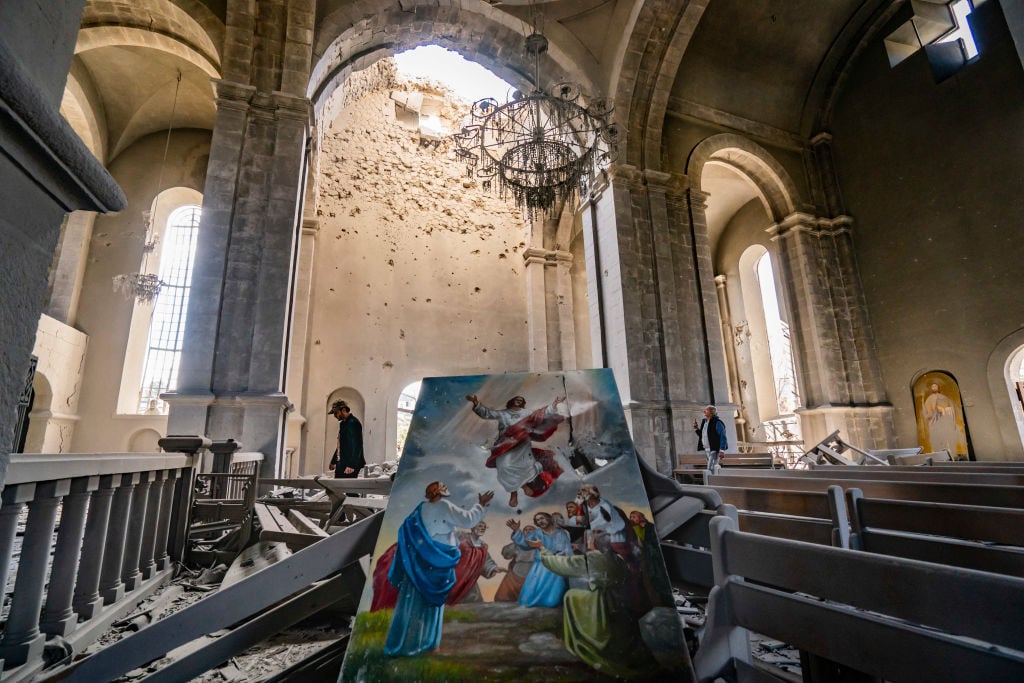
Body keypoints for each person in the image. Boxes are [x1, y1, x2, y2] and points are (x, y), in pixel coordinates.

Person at [383, 481, 494, 657]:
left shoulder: (419, 509)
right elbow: (467, 519)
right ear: (441, 493)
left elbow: (405, 529)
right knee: (432, 603)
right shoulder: (443, 505)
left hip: (420, 560)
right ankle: (428, 645)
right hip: (439, 559)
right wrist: (481, 504)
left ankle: (404, 644)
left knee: (413, 600)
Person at [538, 529, 642, 678]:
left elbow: (560, 564)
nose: (588, 542)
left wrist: (542, 549)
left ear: (594, 544)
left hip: (602, 603)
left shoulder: (591, 559)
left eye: (590, 541)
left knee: (570, 596)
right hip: (618, 602)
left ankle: (582, 640)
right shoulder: (617, 558)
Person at [466, 393, 567, 507]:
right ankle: (514, 491)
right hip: (506, 442)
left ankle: (522, 488)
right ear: (511, 401)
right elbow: (488, 413)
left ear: (523, 403)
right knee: (504, 466)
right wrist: (476, 403)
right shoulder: (503, 413)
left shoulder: (527, 413)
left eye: (521, 400)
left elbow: (540, 415)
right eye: (516, 399)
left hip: (521, 441)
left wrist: (554, 404)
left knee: (523, 464)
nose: (518, 401)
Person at [507, 512, 573, 607]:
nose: (540, 521)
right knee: (529, 597)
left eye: (542, 518)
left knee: (553, 598)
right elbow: (525, 544)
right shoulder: (536, 533)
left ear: (549, 518)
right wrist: (517, 531)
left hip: (556, 566)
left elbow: (566, 550)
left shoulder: (560, 534)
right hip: (540, 566)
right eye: (537, 520)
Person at [447, 521, 505, 604]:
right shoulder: (460, 539)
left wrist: (494, 568)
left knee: (474, 601)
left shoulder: (482, 546)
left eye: (484, 527)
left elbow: (486, 561)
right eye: (480, 526)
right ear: (472, 528)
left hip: (471, 579)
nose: (482, 528)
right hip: (456, 576)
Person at [328, 400, 365, 479]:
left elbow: (357, 445)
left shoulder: (353, 422)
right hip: (342, 463)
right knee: (337, 488)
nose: (334, 415)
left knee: (350, 490)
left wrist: (352, 465)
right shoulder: (343, 424)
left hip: (350, 465)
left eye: (336, 413)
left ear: (343, 410)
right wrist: (333, 461)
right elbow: (341, 445)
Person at [693, 404, 727, 481]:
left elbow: (723, 436)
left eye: (706, 410)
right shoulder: (705, 422)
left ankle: (713, 483)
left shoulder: (717, 422)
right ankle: (717, 482)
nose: (704, 411)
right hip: (707, 449)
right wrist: (696, 429)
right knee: (713, 467)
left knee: (710, 468)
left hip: (714, 448)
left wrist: (722, 450)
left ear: (711, 413)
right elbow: (702, 435)